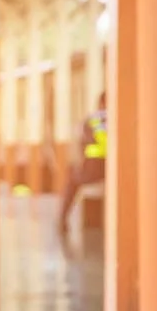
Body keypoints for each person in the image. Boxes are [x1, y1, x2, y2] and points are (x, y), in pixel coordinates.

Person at [57, 92, 107, 234]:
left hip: (95, 168)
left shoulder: (92, 119)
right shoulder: (119, 116)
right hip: (116, 169)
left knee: (72, 179)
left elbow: (82, 143)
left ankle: (62, 219)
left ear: (100, 103)